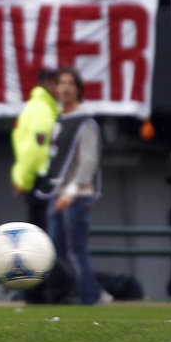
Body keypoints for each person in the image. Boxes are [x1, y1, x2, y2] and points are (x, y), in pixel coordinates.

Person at [34, 67, 110, 306]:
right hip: (57, 191)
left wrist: (71, 190)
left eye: (70, 84)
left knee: (76, 250)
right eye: (61, 83)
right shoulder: (59, 120)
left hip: (76, 195)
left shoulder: (86, 122)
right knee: (56, 250)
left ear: (78, 90)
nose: (64, 88)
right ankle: (85, 291)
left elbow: (88, 161)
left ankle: (92, 296)